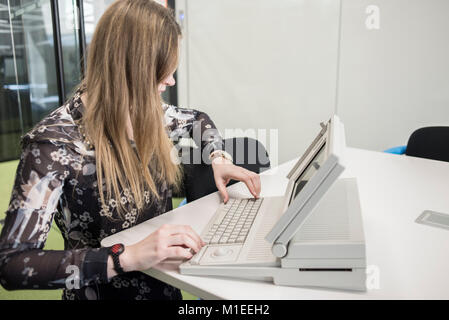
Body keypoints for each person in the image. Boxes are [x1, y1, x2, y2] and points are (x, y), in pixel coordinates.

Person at [0, 0, 260, 300]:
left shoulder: (150, 113)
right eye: (163, 71)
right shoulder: (54, 143)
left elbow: (198, 119)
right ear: (133, 70)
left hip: (164, 288)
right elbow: (13, 264)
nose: (170, 80)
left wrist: (218, 157)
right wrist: (127, 256)